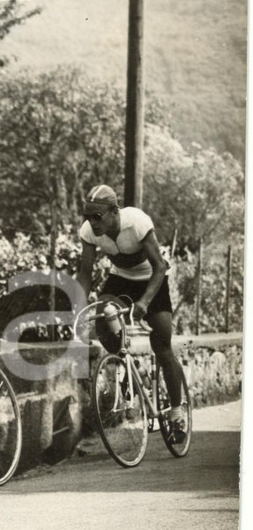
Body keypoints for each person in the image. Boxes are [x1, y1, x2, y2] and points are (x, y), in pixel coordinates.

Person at [74, 183, 187, 441]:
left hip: (152, 280)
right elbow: (85, 272)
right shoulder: (89, 232)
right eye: (87, 216)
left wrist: (145, 302)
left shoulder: (136, 221)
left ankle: (177, 414)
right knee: (103, 318)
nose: (92, 222)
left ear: (115, 211)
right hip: (121, 279)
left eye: (97, 216)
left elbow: (160, 266)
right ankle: (127, 361)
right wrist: (78, 308)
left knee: (162, 346)